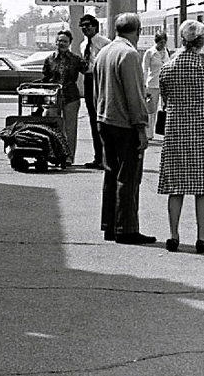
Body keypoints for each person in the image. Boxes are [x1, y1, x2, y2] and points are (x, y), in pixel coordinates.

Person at [157, 19, 204, 254]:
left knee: (176, 187)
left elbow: (165, 100)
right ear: (202, 41)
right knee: (202, 188)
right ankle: (201, 238)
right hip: (202, 131)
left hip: (175, 131)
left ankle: (174, 236)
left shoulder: (168, 67)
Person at [94, 12, 155, 245]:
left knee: (111, 174)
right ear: (137, 31)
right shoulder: (129, 54)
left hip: (104, 120)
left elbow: (95, 90)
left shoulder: (104, 52)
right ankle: (126, 229)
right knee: (128, 177)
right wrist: (141, 127)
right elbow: (134, 94)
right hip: (124, 124)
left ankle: (110, 225)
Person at [41, 29, 86, 166]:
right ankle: (53, 155)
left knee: (70, 130)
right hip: (53, 98)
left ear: (70, 43)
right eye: (60, 40)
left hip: (71, 97)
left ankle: (68, 158)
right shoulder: (49, 59)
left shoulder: (76, 59)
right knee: (52, 127)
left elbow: (89, 70)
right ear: (55, 42)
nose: (62, 43)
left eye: (65, 41)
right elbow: (45, 78)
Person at [80, 14, 111, 169]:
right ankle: (97, 156)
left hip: (100, 79)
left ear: (95, 26)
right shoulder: (83, 44)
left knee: (102, 118)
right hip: (88, 79)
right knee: (93, 119)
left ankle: (107, 157)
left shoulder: (105, 44)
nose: (85, 29)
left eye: (88, 25)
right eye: (82, 26)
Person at [142, 30, 170, 140]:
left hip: (165, 85)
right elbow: (144, 69)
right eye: (161, 42)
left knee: (166, 108)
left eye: (164, 42)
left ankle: (165, 132)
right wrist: (143, 84)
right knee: (151, 109)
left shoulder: (166, 52)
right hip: (152, 84)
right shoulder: (149, 52)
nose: (162, 45)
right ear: (156, 42)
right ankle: (148, 133)